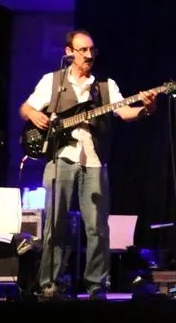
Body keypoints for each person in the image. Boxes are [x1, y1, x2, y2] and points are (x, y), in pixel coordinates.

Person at [20, 30, 157, 300]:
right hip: (60, 159)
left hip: (94, 161)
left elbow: (124, 112)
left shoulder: (106, 87)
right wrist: (35, 114)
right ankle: (50, 283)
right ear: (68, 52)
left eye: (91, 50)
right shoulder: (53, 81)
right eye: (82, 50)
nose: (88, 55)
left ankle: (97, 285)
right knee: (55, 224)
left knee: (97, 226)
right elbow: (26, 107)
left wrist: (146, 108)